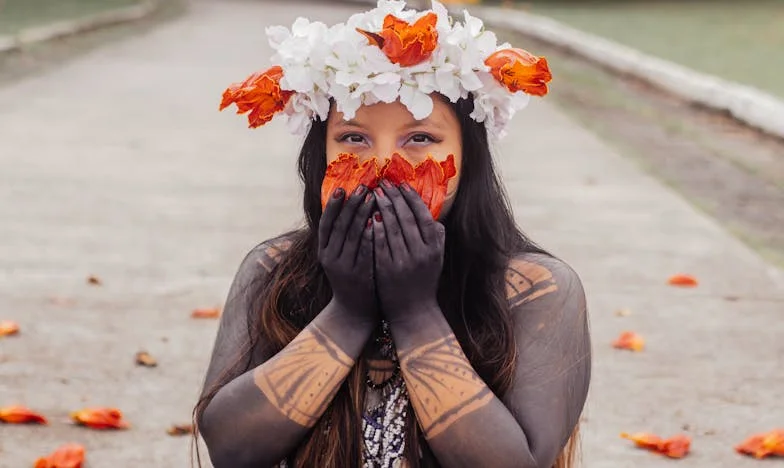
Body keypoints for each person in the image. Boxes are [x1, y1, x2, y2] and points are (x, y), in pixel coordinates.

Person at [194, 1, 591, 467]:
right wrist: (348, 310)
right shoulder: (274, 269)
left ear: (470, 157)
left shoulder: (536, 288)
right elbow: (230, 448)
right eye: (354, 138)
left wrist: (414, 312)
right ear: (321, 155)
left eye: (420, 139)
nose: (383, 168)